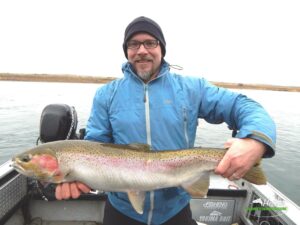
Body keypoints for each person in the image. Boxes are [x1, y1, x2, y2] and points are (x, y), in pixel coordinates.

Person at [55, 16, 276, 225]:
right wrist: (77, 173)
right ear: (126, 51)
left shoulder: (192, 88)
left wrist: (255, 140)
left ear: (161, 48)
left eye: (150, 43)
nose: (142, 50)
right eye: (133, 44)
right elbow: (95, 145)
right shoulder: (106, 94)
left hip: (175, 210)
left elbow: (244, 106)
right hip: (122, 211)